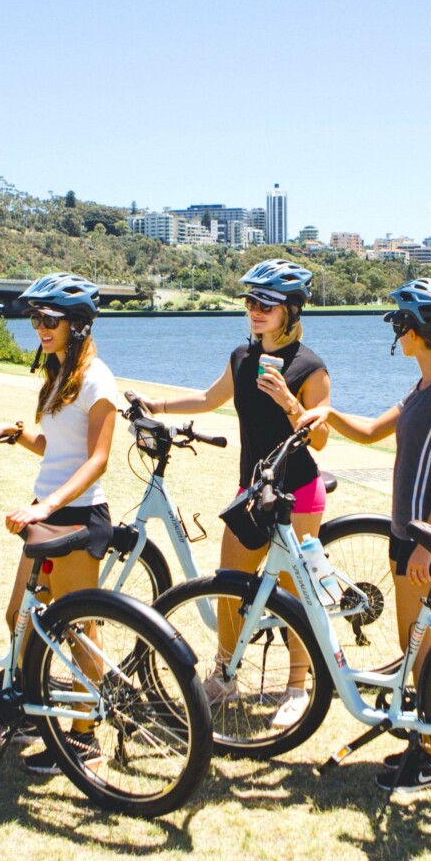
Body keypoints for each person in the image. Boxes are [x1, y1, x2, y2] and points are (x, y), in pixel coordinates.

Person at [297, 277, 431, 792]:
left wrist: (427, 541)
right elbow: (374, 431)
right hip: (408, 532)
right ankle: (424, 742)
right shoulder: (422, 387)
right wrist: (324, 413)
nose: (397, 332)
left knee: (417, 647)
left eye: (402, 323)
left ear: (418, 331)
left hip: (425, 536)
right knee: (417, 644)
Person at [137, 259, 331, 728]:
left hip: (298, 491)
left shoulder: (310, 367)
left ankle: (297, 687)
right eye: (250, 302)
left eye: (266, 304)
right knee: (229, 584)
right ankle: (225, 675)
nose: (255, 311)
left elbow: (320, 439)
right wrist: (154, 404)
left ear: (290, 310)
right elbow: (208, 399)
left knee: (293, 594)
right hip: (252, 490)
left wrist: (289, 399)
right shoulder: (241, 358)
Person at [0, 272, 122, 775]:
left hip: (78, 517)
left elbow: (97, 460)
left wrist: (46, 506)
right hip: (48, 513)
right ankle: (33, 713)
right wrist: (14, 434)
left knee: (79, 629)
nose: (39, 326)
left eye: (49, 319)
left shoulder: (99, 379)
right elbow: (55, 447)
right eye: (36, 317)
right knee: (21, 614)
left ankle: (85, 737)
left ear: (77, 325)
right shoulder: (58, 374)